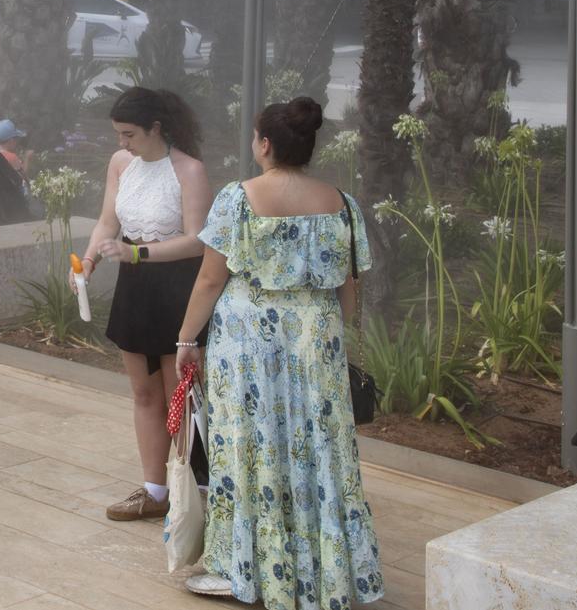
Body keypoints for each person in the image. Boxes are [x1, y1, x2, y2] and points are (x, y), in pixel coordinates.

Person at [174, 97, 383, 605]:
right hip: (317, 340)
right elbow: (349, 289)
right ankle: (324, 570)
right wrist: (333, 331)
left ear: (265, 144)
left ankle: (244, 568)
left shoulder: (238, 199)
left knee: (251, 445)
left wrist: (185, 340)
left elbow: (209, 278)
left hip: (248, 344)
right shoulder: (343, 203)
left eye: (253, 137)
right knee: (318, 449)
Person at [77, 87, 212, 523]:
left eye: (130, 134)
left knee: (181, 394)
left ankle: (189, 491)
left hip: (174, 283)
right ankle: (154, 489)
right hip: (134, 283)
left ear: (156, 128)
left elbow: (196, 241)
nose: (123, 143)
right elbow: (107, 221)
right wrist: (91, 259)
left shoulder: (189, 170)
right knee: (142, 390)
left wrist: (139, 254)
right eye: (118, 134)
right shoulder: (121, 164)